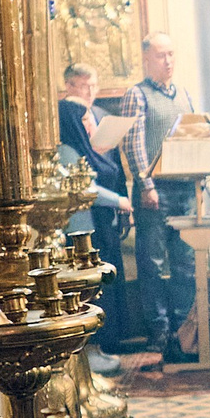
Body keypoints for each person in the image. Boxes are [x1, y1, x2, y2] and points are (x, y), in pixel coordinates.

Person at [111, 31, 206, 365]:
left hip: (185, 189)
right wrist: (145, 183)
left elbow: (194, 137)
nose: (168, 61)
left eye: (171, 54)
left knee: (185, 263)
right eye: (161, 55)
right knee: (152, 263)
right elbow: (132, 143)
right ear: (147, 59)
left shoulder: (185, 95)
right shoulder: (137, 95)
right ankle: (158, 331)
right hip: (154, 191)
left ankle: (183, 330)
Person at [59, 62, 134, 366]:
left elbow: (107, 167)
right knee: (90, 285)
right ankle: (92, 350)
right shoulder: (68, 137)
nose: (90, 93)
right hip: (83, 223)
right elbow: (82, 185)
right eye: (82, 86)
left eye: (93, 86)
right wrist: (118, 200)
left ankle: (105, 344)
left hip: (102, 219)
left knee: (104, 281)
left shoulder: (99, 118)